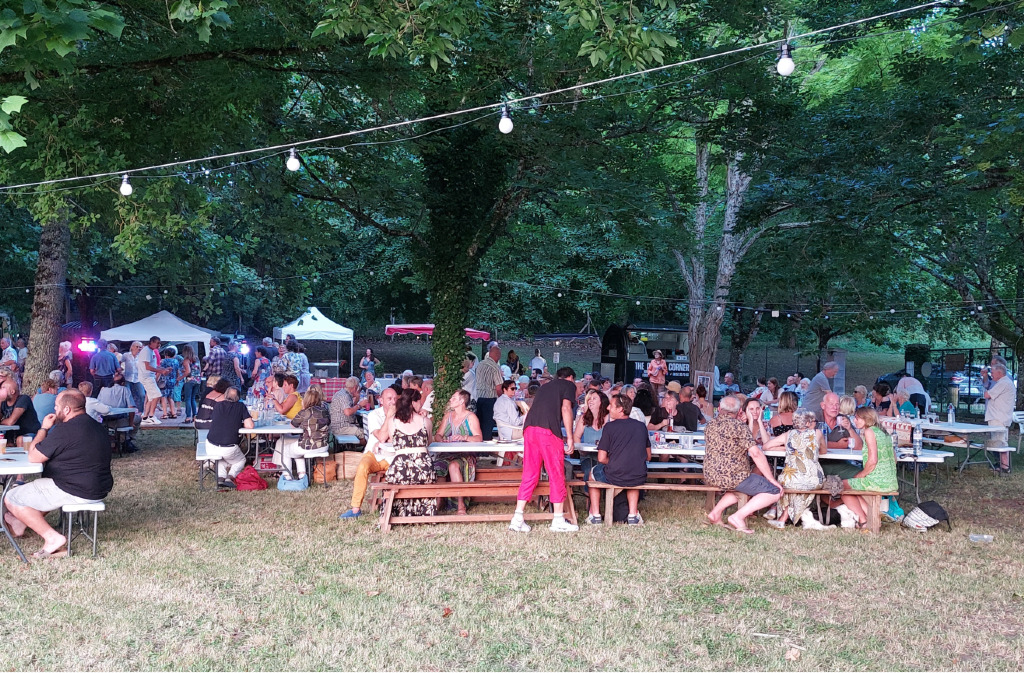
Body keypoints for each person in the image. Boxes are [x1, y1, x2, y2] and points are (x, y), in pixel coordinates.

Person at [3, 389, 113, 557]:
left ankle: (53, 538)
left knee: (12, 497)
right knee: (38, 490)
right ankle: (20, 522)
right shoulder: (97, 426)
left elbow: (33, 456)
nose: (55, 411)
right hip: (98, 487)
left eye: (56, 407)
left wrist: (44, 428)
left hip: (74, 488)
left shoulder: (66, 430)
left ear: (67, 410)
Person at [510, 366, 579, 533]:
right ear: (570, 377)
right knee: (556, 473)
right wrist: (570, 436)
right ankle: (557, 519)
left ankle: (517, 518)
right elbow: (566, 409)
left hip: (530, 429)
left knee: (529, 473)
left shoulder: (545, 386)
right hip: (548, 431)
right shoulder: (568, 386)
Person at [703, 395, 783, 534]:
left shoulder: (710, 425)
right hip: (735, 476)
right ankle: (738, 517)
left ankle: (715, 514)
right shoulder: (739, 426)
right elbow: (756, 453)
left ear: (719, 408)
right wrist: (771, 479)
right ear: (740, 411)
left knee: (738, 488)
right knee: (775, 492)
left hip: (710, 474)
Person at [584, 394, 651, 525]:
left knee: (592, 473)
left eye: (611, 405)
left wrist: (617, 462)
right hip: (639, 475)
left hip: (615, 475)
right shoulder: (641, 426)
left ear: (620, 409)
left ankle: (595, 515)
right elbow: (648, 456)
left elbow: (601, 458)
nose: (608, 408)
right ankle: (633, 515)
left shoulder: (609, 427)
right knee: (632, 477)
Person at [762, 409, 833, 530]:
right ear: (808, 422)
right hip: (814, 479)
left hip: (790, 479)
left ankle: (780, 516)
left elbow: (766, 446)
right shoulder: (817, 433)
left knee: (788, 482)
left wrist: (789, 449)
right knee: (799, 483)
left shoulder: (788, 434)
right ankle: (784, 518)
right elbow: (824, 451)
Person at [341, 388, 399, 519]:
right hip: (374, 454)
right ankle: (355, 509)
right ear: (381, 401)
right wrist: (389, 417)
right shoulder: (374, 415)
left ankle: (395, 506)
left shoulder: (401, 415)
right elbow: (382, 437)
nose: (393, 402)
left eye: (395, 399)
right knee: (362, 467)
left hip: (392, 457)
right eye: (389, 399)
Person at [381, 389, 436, 517]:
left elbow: (393, 441)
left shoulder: (393, 422)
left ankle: (398, 512)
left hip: (401, 469)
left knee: (392, 479)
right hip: (423, 470)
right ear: (414, 403)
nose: (421, 405)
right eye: (419, 402)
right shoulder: (425, 421)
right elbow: (428, 442)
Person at [841, 407, 898, 529]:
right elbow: (895, 458)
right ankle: (872, 516)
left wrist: (861, 474)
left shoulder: (869, 432)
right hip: (891, 481)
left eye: (857, 418)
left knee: (841, 486)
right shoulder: (884, 432)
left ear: (866, 419)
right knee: (854, 488)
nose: (854, 421)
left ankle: (864, 519)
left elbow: (872, 461)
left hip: (877, 481)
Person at [434, 389, 483, 515]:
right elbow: (438, 435)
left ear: (462, 401)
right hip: (447, 453)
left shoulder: (471, 417)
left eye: (454, 398)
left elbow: (479, 438)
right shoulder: (448, 416)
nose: (450, 400)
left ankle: (461, 505)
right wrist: (443, 440)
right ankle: (439, 502)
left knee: (454, 466)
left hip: (465, 455)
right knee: (439, 466)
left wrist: (464, 437)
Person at [277, 384, 330, 480]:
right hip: (324, 445)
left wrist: (303, 408)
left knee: (286, 450)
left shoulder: (304, 412)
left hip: (309, 446)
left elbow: (293, 425)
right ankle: (302, 476)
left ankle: (287, 477)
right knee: (296, 449)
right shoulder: (325, 411)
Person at [205, 387, 254, 489]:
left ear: (226, 395)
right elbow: (250, 426)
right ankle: (230, 477)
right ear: (238, 398)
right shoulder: (240, 406)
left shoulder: (218, 405)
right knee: (241, 460)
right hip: (228, 446)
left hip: (210, 444)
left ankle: (221, 477)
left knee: (221, 458)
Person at [983, 362, 1016, 472]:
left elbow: (987, 395)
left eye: (992, 372)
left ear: (999, 372)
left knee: (1000, 442)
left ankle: (1004, 466)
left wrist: (985, 390)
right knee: (998, 441)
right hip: (999, 416)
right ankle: (1001, 465)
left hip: (999, 417)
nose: (991, 375)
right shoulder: (1005, 382)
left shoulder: (1003, 383)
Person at [474, 342, 503, 440]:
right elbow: (499, 387)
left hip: (480, 398)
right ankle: (485, 450)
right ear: (497, 355)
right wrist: (502, 399)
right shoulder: (495, 368)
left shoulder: (480, 364)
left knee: (479, 424)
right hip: (490, 399)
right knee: (487, 425)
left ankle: (478, 447)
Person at [137, 336, 168, 425]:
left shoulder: (151, 351)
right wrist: (161, 371)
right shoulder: (146, 351)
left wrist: (164, 369)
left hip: (149, 376)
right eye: (157, 343)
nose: (159, 345)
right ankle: (151, 415)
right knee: (157, 395)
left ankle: (145, 417)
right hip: (146, 377)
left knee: (151, 397)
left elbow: (153, 366)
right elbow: (147, 367)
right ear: (152, 342)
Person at [2, 379, 41, 447]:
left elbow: (11, 422)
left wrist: (2, 421)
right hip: (11, 437)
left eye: (3, 388)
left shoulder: (23, 399)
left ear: (12, 391)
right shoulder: (3, 403)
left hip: (30, 434)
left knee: (21, 440)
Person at [329, 377, 365, 441]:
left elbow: (350, 407)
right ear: (355, 387)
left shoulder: (343, 393)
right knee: (365, 434)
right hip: (341, 427)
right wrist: (359, 405)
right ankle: (367, 450)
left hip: (339, 425)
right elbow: (348, 412)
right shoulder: (344, 396)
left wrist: (357, 398)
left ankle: (357, 448)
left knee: (361, 430)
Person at [180, 345, 202, 424]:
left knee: (188, 399)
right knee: (193, 398)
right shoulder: (196, 358)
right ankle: (195, 416)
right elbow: (198, 369)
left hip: (189, 380)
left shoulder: (186, 360)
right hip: (197, 380)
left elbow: (188, 372)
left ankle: (188, 417)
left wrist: (180, 378)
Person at [160, 347, 182, 420]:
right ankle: (173, 413)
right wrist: (177, 379)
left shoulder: (164, 361)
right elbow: (177, 371)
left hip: (165, 380)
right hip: (173, 380)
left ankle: (165, 413)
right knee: (170, 397)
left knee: (164, 397)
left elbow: (161, 370)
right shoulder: (176, 361)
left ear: (166, 354)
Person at [122, 341, 144, 411]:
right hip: (128, 377)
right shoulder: (126, 355)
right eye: (137, 347)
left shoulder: (142, 356)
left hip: (138, 378)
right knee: (127, 395)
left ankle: (141, 411)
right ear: (132, 347)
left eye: (140, 347)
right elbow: (119, 363)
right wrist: (120, 371)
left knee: (142, 395)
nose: (138, 349)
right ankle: (128, 410)